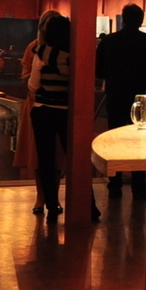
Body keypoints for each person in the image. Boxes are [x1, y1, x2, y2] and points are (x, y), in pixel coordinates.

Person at [29, 14, 99, 223]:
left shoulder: (41, 53)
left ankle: (51, 206)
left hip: (43, 111)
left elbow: (34, 85)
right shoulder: (75, 56)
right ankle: (90, 207)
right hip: (68, 113)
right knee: (77, 160)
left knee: (46, 161)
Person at [96, 4, 146, 199]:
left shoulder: (109, 41)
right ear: (141, 20)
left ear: (123, 19)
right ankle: (138, 186)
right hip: (141, 98)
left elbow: (98, 71)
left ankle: (115, 184)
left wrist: (113, 76)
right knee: (138, 142)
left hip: (115, 96)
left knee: (115, 140)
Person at [14, 10, 59, 213]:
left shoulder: (64, 48)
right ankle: (41, 197)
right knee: (38, 155)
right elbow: (25, 78)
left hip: (57, 105)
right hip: (36, 104)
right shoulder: (33, 47)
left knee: (56, 156)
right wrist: (36, 71)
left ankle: (53, 197)